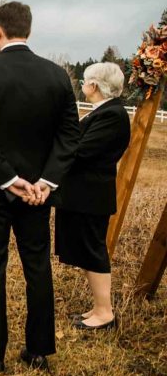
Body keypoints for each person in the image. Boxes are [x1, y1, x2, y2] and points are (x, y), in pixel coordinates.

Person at [0, 1, 80, 373]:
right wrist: (45, 181)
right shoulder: (57, 76)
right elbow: (70, 135)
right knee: (37, 267)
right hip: (38, 196)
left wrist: (9, 179)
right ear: (27, 29)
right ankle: (39, 351)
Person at [55, 63, 131, 331]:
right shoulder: (104, 112)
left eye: (85, 80)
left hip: (91, 195)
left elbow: (82, 151)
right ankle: (98, 308)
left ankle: (105, 313)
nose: (82, 84)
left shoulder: (112, 115)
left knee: (93, 251)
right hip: (84, 194)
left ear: (95, 85)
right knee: (87, 251)